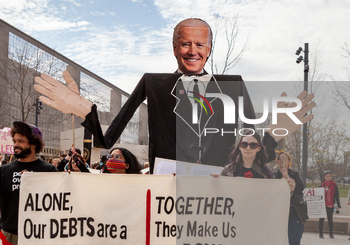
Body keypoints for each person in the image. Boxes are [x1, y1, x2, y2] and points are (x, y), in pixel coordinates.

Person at [35, 18, 314, 170]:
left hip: (217, 184)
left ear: (209, 48)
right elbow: (106, 140)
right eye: (185, 43)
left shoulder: (234, 84)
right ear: (174, 47)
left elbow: (256, 151)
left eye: (200, 44)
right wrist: (86, 111)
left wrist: (275, 132)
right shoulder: (153, 83)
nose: (193, 51)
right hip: (168, 187)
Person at [274, 150, 306, 245]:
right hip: (280, 213)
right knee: (280, 243)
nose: (282, 161)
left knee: (294, 241)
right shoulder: (274, 175)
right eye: (279, 159)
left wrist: (289, 179)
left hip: (294, 213)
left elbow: (300, 189)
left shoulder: (295, 174)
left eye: (284, 159)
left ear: (289, 161)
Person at [318, 171, 341, 239]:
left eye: (330, 176)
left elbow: (337, 195)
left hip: (330, 204)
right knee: (321, 219)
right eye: (327, 176)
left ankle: (331, 234)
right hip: (322, 205)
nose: (328, 178)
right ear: (324, 177)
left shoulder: (334, 185)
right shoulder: (321, 185)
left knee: (330, 219)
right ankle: (321, 233)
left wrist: (338, 205)